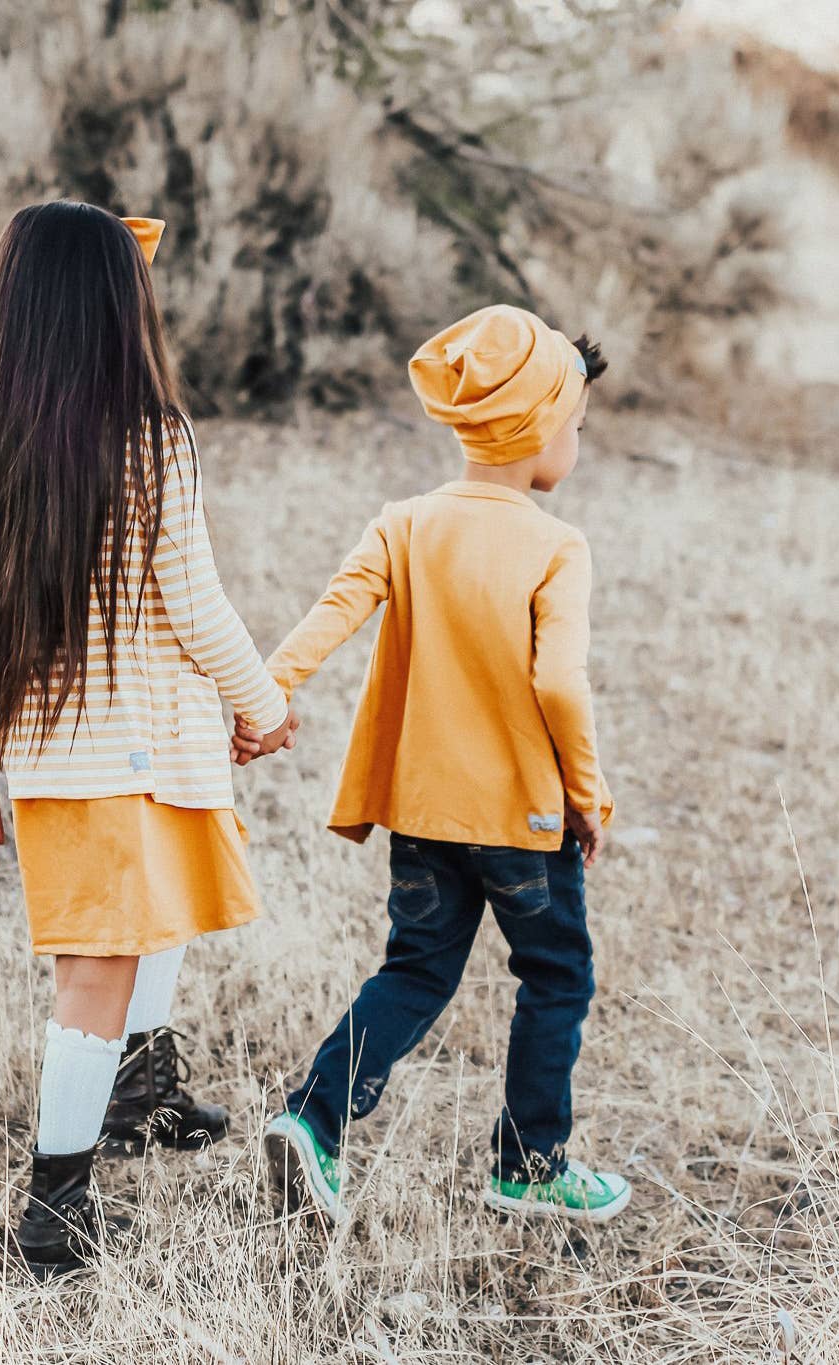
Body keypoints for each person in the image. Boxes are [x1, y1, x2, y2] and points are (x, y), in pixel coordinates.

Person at [0, 202, 298, 1279]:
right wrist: (263, 702)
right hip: (116, 760)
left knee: (155, 914)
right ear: (111, 313)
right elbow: (194, 596)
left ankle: (139, 1087)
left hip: (95, 759)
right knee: (98, 971)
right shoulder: (152, 442)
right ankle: (56, 1207)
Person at [234, 304, 629, 1224]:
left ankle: (314, 1121)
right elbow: (560, 685)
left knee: (412, 971)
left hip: (419, 815)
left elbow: (330, 614)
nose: (575, 444)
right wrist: (587, 794)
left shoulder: (405, 524)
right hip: (522, 824)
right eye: (575, 427)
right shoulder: (554, 545)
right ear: (539, 430)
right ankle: (529, 1165)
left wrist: (267, 697)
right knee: (556, 976)